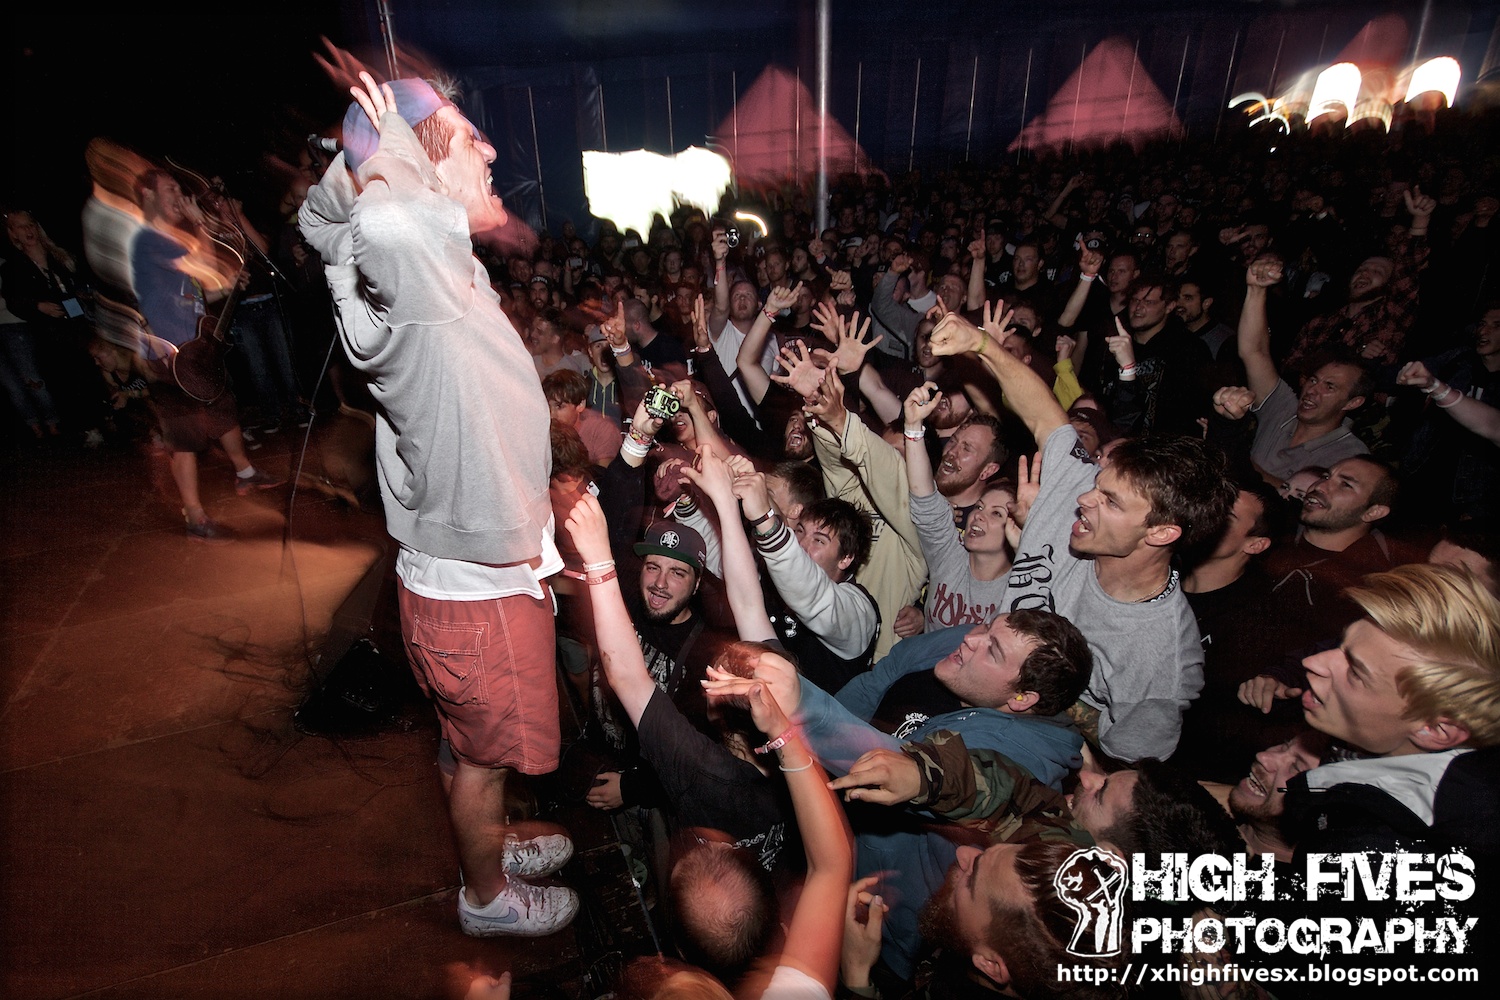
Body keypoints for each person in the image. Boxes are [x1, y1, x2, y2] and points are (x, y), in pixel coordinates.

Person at [298, 73, 577, 937]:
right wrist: (388, 150)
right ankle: (487, 898)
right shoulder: (420, 280)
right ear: (417, 166)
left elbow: (323, 222)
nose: (488, 147)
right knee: (485, 760)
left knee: (464, 742)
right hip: (480, 598)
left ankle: (480, 846)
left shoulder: (415, 286)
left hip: (446, 583)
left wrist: (364, 159)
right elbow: (384, 221)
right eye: (464, 133)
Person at [928, 304, 1237, 763]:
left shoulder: (1158, 656)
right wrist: (981, 345)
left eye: (1110, 502)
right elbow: (1044, 417)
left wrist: (1051, 702)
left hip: (1014, 757)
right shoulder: (1079, 500)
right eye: (1097, 485)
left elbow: (1130, 758)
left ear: (1160, 533)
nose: (1085, 499)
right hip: (954, 679)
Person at [130, 170, 283, 540]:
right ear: (147, 194)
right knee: (184, 437)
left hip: (196, 350)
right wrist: (200, 225)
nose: (180, 195)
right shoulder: (147, 239)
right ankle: (195, 516)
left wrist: (226, 290)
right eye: (171, 188)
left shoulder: (168, 239)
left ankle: (245, 473)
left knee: (222, 411)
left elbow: (196, 291)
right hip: (172, 357)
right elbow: (204, 267)